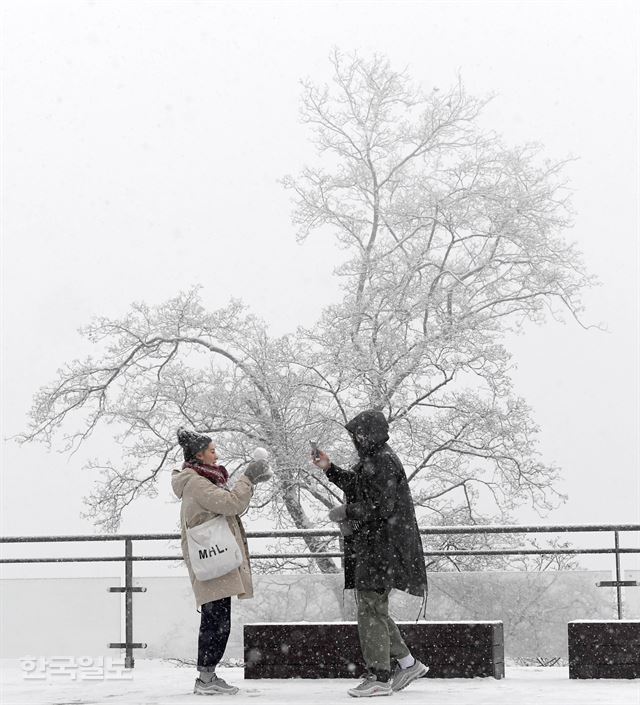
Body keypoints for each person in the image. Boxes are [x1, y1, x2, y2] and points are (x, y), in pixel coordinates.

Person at [312, 409, 429, 698]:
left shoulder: (383, 461)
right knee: (373, 607)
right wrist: (330, 469)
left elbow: (381, 506)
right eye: (355, 435)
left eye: (360, 434)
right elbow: (359, 486)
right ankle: (407, 663)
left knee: (370, 610)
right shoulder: (375, 459)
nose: (357, 439)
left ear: (372, 434)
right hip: (376, 548)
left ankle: (379, 676)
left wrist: (346, 511)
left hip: (381, 550)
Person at [172, 427, 272, 696]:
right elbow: (232, 504)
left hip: (216, 557)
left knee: (217, 617)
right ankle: (206, 679)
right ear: (199, 455)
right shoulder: (197, 483)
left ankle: (208, 675)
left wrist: (250, 482)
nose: (217, 455)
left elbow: (230, 503)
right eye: (212, 451)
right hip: (213, 557)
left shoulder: (203, 479)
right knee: (216, 619)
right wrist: (249, 477)